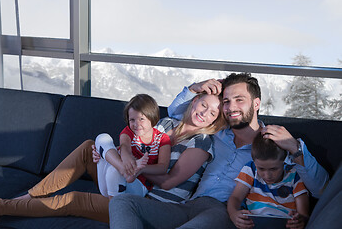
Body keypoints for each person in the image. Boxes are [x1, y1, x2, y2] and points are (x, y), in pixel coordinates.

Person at [109, 73, 329, 229]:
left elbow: (321, 189)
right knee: (122, 202)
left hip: (225, 212)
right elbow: (177, 113)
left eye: (239, 100)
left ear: (256, 104)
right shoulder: (216, 132)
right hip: (187, 205)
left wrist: (296, 148)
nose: (231, 107)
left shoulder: (274, 144)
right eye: (226, 101)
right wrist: (194, 88)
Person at [0, 92, 226, 224]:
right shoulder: (166, 122)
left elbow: (169, 182)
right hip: (127, 180)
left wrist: (131, 167)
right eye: (204, 105)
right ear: (194, 102)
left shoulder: (202, 142)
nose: (206, 113)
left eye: (214, 112)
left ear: (216, 120)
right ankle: (32, 195)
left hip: (149, 203)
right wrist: (111, 156)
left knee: (73, 200)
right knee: (89, 146)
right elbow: (131, 139)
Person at [95, 94, 171, 198]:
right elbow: (124, 146)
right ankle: (122, 169)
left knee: (113, 170)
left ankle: (115, 206)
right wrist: (126, 160)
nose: (136, 124)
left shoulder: (162, 139)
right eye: (132, 120)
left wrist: (141, 169)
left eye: (141, 119)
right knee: (102, 138)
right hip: (109, 181)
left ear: (152, 117)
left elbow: (162, 168)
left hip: (137, 186)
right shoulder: (129, 131)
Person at [227, 132, 309, 229]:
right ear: (254, 162)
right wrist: (233, 214)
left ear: (284, 161)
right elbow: (235, 197)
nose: (267, 175)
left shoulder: (294, 175)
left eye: (274, 169)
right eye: (261, 169)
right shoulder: (251, 169)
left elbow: (303, 213)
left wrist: (299, 220)